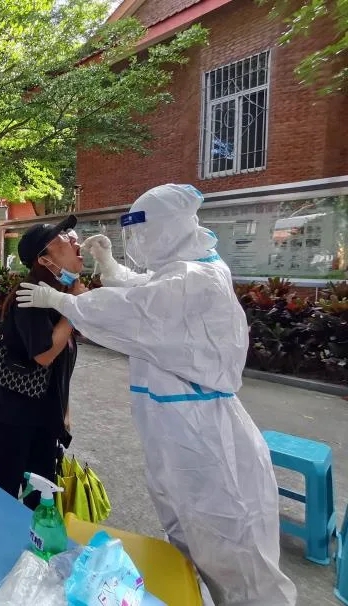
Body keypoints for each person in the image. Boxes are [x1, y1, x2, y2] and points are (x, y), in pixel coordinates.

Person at [16, 184, 296, 605]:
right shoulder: (186, 268)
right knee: (188, 536)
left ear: (167, 229)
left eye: (143, 232)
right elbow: (147, 288)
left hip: (202, 435)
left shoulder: (195, 278)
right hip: (177, 427)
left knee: (228, 545)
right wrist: (109, 265)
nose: (138, 243)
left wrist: (64, 301)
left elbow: (136, 309)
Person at [0, 216, 83, 509]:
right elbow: (46, 354)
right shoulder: (30, 294)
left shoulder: (60, 294)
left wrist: (64, 409)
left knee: (41, 497)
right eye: (63, 237)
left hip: (42, 415)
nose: (74, 239)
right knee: (2, 498)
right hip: (7, 415)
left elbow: (63, 361)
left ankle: (34, 553)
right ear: (44, 259)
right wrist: (73, 308)